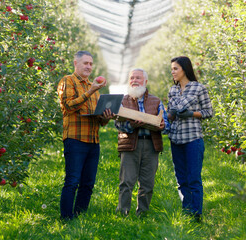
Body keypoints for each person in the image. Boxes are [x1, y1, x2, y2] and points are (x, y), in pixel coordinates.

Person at [57, 50, 114, 220]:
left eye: (91, 64)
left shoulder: (94, 88)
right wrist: (90, 91)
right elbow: (68, 106)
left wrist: (106, 118)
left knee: (88, 183)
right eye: (85, 63)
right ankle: (66, 218)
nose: (89, 67)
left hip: (93, 140)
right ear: (76, 63)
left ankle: (80, 216)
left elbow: (99, 120)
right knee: (72, 180)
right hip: (75, 139)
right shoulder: (67, 81)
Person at [114, 68, 170, 216]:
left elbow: (166, 126)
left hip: (151, 144)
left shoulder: (156, 101)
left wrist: (162, 125)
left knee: (147, 183)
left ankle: (143, 214)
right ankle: (122, 212)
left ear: (145, 81)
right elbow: (118, 125)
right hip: (130, 144)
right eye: (132, 78)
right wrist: (132, 124)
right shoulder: (122, 101)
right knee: (126, 181)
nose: (134, 81)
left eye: (138, 78)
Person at [167, 56, 213, 222]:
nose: (172, 72)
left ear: (184, 69)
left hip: (193, 138)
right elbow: (170, 113)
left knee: (193, 177)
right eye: (171, 69)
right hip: (176, 139)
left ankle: (196, 214)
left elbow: (209, 112)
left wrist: (192, 114)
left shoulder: (198, 88)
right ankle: (187, 212)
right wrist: (166, 117)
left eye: (175, 68)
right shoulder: (172, 90)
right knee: (181, 179)